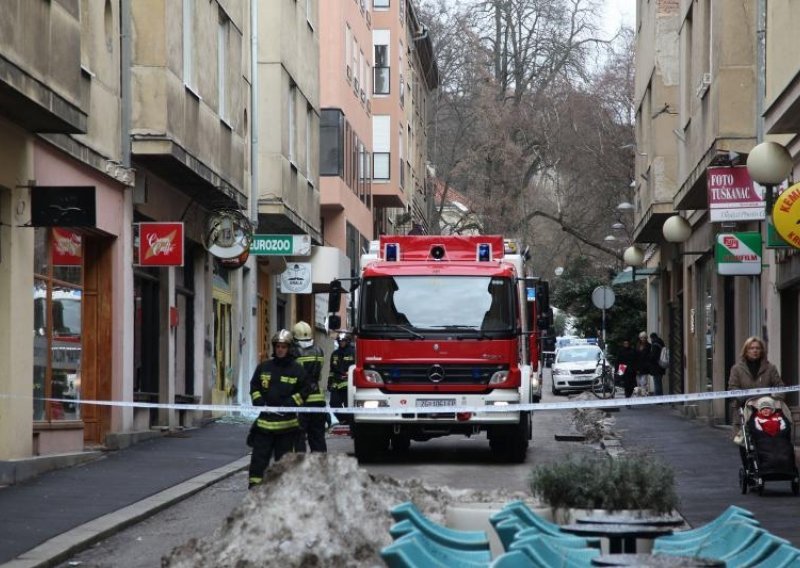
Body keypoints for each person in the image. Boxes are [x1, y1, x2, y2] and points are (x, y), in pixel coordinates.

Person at [247, 329, 308, 489]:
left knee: (284, 464)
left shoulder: (297, 370)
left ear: (290, 348)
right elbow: (254, 386)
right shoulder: (264, 367)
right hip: (264, 425)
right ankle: (255, 490)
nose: (280, 349)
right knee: (258, 461)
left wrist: (290, 403)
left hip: (287, 427)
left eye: (284, 346)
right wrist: (258, 400)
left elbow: (306, 390)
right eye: (278, 346)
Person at [728, 336, 784, 468]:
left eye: (757, 348)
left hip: (765, 411)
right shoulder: (737, 369)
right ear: (746, 351)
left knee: (767, 438)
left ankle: (768, 466)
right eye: (751, 348)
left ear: (762, 351)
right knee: (743, 442)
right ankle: (749, 468)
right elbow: (732, 388)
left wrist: (776, 400)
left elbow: (780, 386)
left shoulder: (770, 368)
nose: (755, 351)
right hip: (745, 410)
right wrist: (742, 398)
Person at [292, 320, 327, 453]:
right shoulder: (319, 351)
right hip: (318, 400)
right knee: (318, 437)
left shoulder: (294, 352)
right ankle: (321, 468)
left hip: (302, 400)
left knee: (299, 437)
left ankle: (301, 467)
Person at [328, 332, 355, 424]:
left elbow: (357, 367)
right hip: (336, 383)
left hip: (349, 384)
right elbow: (332, 370)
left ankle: (349, 421)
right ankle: (343, 420)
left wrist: (350, 374)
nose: (341, 343)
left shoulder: (353, 352)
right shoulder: (335, 354)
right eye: (339, 341)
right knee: (333, 404)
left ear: (347, 341)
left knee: (349, 405)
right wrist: (329, 382)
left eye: (343, 341)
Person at [634, 332, 651, 396]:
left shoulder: (649, 346)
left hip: (645, 367)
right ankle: (639, 395)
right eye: (641, 337)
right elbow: (635, 355)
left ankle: (643, 395)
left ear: (646, 338)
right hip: (637, 366)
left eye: (644, 337)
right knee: (638, 383)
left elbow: (649, 356)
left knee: (643, 382)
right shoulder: (637, 345)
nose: (642, 339)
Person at [649, 332, 666, 396]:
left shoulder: (655, 345)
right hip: (661, 365)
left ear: (652, 338)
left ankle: (658, 398)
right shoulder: (661, 343)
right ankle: (660, 397)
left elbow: (653, 356)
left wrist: (649, 358)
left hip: (656, 367)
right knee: (659, 382)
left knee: (657, 383)